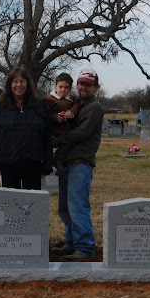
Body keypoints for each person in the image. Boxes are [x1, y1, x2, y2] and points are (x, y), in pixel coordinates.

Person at [52, 68, 104, 261]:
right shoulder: (76, 105)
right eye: (81, 83)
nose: (83, 87)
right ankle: (71, 244)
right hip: (67, 162)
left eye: (88, 85)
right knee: (65, 208)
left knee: (77, 207)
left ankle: (85, 248)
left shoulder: (94, 108)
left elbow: (82, 133)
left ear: (96, 87)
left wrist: (56, 140)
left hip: (81, 163)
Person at [0, 67, 53, 189]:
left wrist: (48, 163)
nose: (19, 85)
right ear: (9, 84)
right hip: (8, 165)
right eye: (15, 81)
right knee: (11, 204)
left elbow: (47, 136)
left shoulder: (40, 106)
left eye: (22, 81)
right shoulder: (0, 108)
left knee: (32, 203)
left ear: (27, 84)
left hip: (33, 165)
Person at [44, 72, 80, 138]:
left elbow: (76, 106)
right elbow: (44, 115)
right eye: (60, 87)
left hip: (68, 132)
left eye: (66, 87)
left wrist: (71, 112)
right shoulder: (48, 99)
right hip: (53, 133)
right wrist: (56, 117)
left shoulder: (71, 99)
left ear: (70, 89)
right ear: (55, 87)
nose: (63, 90)